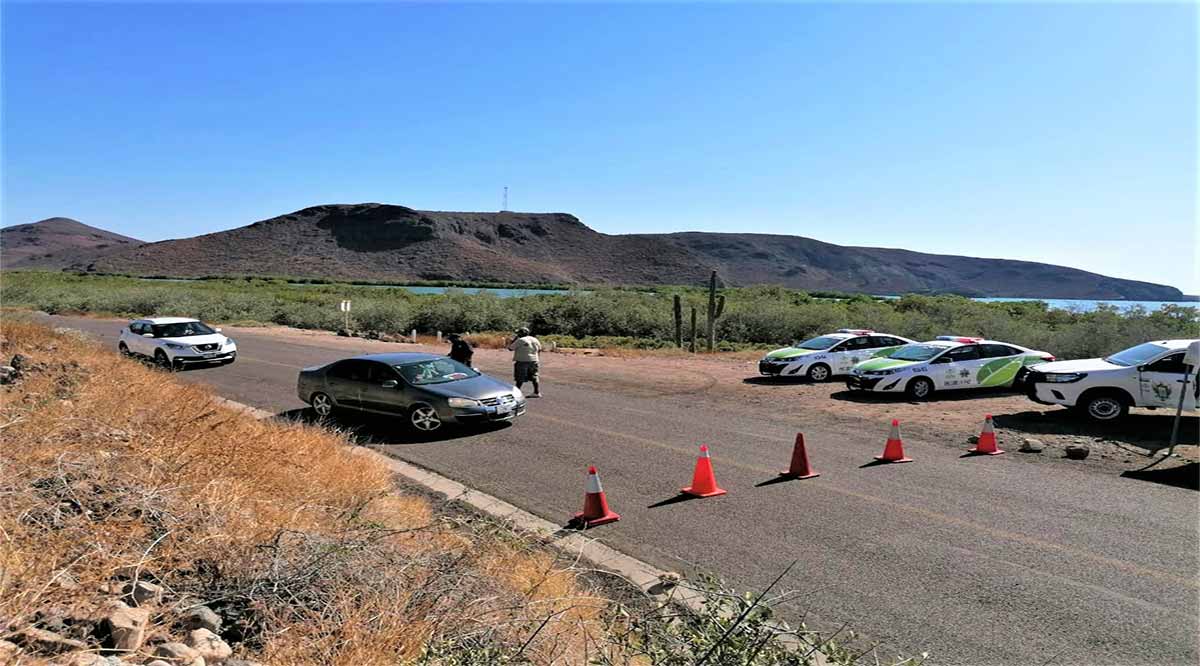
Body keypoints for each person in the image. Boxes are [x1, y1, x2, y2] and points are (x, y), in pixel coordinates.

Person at [507, 327, 543, 397]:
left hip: (522, 361)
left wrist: (514, 340)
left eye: (518, 333)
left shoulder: (520, 340)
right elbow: (539, 349)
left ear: (521, 333)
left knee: (520, 378)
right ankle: (536, 392)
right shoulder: (535, 339)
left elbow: (510, 348)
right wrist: (537, 358)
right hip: (534, 360)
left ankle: (516, 393)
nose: (517, 334)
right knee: (534, 376)